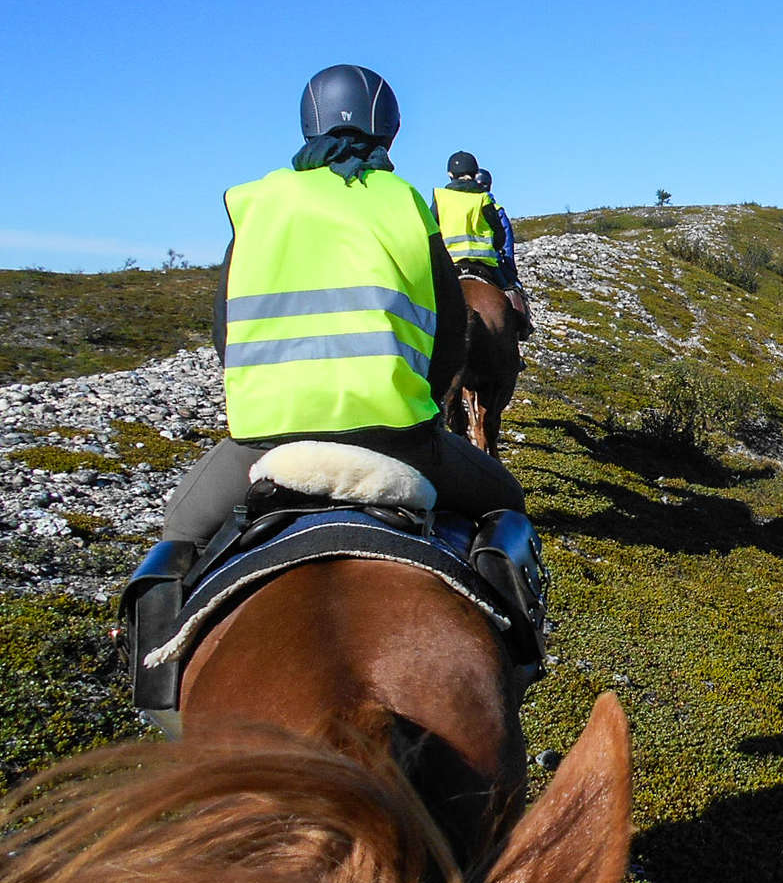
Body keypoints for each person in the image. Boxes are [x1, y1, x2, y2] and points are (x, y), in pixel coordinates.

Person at [160, 65, 526, 547]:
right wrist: (423, 407)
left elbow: (225, 336)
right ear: (389, 131)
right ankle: (516, 620)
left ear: (309, 124)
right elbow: (450, 333)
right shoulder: (405, 202)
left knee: (178, 539)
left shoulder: (256, 205)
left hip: (268, 439)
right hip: (399, 438)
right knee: (507, 507)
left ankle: (145, 621)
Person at [475, 167, 535, 339]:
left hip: (455, 260)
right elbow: (506, 241)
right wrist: (510, 269)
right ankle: (522, 328)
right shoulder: (494, 207)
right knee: (513, 289)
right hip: (488, 260)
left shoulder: (454, 204)